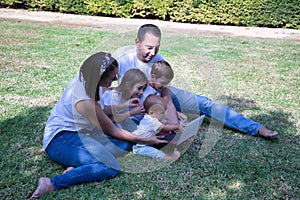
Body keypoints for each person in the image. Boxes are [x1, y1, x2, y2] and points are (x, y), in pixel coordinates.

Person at [29, 52, 167, 199]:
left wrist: (123, 105)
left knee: (125, 144)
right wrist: (146, 140)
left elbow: (101, 110)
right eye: (112, 76)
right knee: (111, 166)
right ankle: (51, 183)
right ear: (99, 77)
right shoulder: (83, 99)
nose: (115, 78)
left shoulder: (91, 82)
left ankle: (78, 165)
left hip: (84, 134)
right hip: (61, 138)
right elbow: (111, 128)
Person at [114, 24, 278, 138]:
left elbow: (167, 94)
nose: (153, 52)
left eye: (157, 48)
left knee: (206, 103)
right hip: (145, 104)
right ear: (137, 42)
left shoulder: (158, 60)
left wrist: (173, 115)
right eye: (149, 47)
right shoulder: (122, 59)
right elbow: (105, 86)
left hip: (163, 96)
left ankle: (255, 128)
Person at [132, 94, 182, 161]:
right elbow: (165, 128)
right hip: (140, 146)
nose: (164, 114)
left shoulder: (150, 117)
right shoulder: (151, 121)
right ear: (152, 113)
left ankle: (173, 146)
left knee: (163, 139)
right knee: (155, 152)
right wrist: (177, 126)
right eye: (162, 113)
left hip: (150, 140)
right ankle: (170, 158)